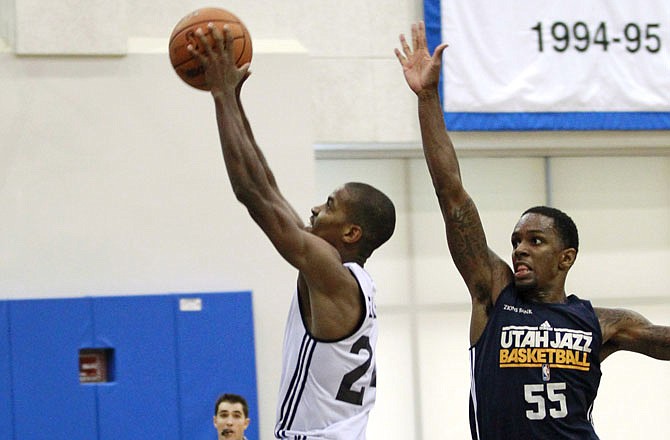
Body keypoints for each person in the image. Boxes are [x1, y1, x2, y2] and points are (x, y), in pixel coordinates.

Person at [395, 21, 670, 439]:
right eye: (516, 241)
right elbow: (451, 197)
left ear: (566, 257)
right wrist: (429, 98)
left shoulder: (600, 322)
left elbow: (661, 342)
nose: (519, 249)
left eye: (535, 241)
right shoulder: (494, 293)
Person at [188, 24, 396, 440]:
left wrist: (220, 95)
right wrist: (235, 100)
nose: (317, 208)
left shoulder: (329, 272)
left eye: (330, 206)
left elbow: (252, 193)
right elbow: (266, 183)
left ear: (352, 233)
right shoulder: (345, 278)